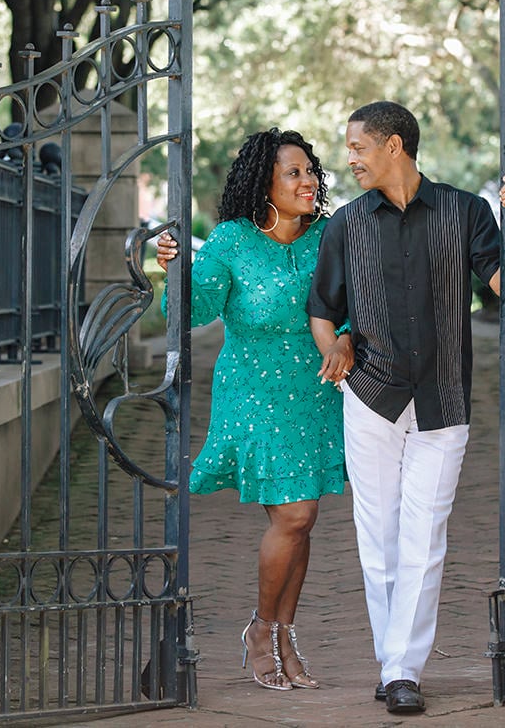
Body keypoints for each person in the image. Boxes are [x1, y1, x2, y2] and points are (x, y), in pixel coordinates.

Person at [307, 100, 505, 714]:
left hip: (445, 396)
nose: (349, 159)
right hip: (369, 395)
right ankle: (396, 663)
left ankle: (402, 667)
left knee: (425, 534)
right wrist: (334, 345)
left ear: (394, 147)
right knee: (377, 534)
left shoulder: (465, 212)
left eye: (357, 147)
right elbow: (322, 307)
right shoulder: (347, 223)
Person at [154, 127, 348, 692]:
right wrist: (175, 270)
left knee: (304, 518)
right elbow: (194, 309)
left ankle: (285, 632)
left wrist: (349, 339)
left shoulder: (329, 236)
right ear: (264, 184)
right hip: (255, 391)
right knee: (293, 516)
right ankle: (262, 630)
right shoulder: (233, 240)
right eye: (294, 173)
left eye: (311, 170)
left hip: (316, 390)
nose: (308, 181)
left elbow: (357, 303)